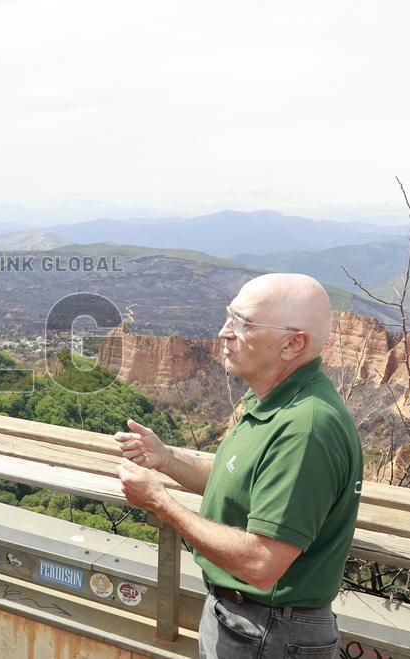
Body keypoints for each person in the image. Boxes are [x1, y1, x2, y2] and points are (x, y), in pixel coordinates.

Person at [115, 273, 362, 658]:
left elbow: (261, 563)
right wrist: (165, 458)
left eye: (243, 323)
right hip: (247, 623)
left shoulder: (305, 429)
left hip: (270, 633)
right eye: (229, 316)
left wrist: (160, 503)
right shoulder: (271, 402)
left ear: (292, 343)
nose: (224, 331)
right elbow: (238, 479)